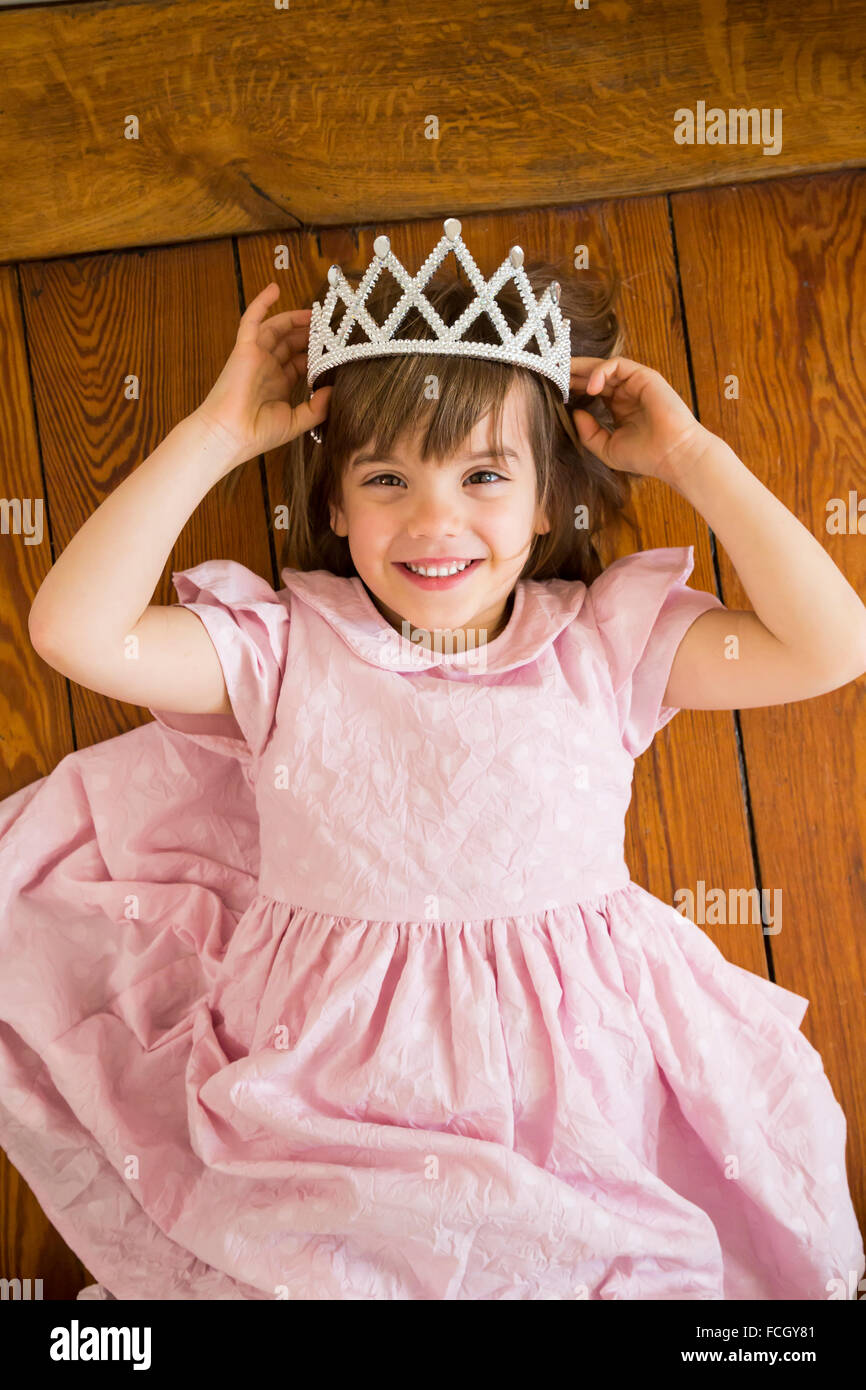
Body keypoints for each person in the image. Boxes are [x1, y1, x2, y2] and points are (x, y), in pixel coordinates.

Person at [3, 221, 865, 1301]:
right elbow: (73, 634)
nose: (433, 518)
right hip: (325, 1107)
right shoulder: (284, 648)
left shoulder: (598, 642)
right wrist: (218, 434)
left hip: (571, 1107)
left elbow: (828, 647)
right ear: (333, 505)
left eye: (484, 474)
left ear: (548, 500)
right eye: (384, 479)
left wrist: (691, 456)